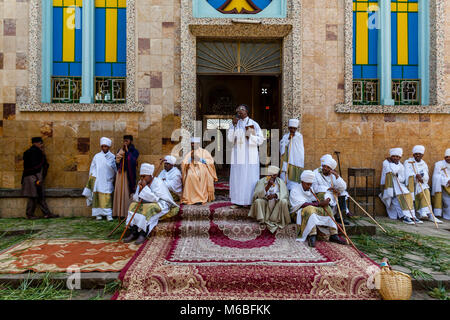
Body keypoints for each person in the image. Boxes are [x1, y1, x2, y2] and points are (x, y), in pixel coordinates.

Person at [123, 163, 179, 245]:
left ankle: (143, 233)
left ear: (150, 175)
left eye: (144, 176)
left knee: (149, 208)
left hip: (161, 203)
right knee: (132, 205)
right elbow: (136, 198)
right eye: (141, 176)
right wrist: (140, 190)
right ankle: (134, 231)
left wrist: (145, 188)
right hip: (146, 203)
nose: (142, 178)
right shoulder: (141, 182)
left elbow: (155, 199)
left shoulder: (158, 182)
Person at [290, 170, 346, 247]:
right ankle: (312, 235)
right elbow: (302, 204)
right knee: (309, 208)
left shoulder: (311, 189)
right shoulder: (295, 190)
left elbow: (319, 193)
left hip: (311, 209)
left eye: (311, 184)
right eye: (307, 184)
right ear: (302, 181)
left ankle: (334, 234)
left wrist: (327, 199)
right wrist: (319, 204)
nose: (309, 186)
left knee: (327, 208)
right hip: (297, 213)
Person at [227, 104, 265, 208]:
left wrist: (250, 136)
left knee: (250, 178)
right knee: (237, 178)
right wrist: (234, 126)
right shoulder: (235, 124)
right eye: (238, 110)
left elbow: (261, 140)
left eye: (242, 109)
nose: (239, 111)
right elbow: (230, 139)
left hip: (250, 155)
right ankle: (237, 201)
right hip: (238, 155)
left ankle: (249, 201)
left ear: (246, 111)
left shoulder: (253, 124)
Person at [379, 148, 420, 225]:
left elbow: (402, 178)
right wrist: (392, 165)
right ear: (391, 156)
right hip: (389, 186)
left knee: (407, 195)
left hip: (398, 185)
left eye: (397, 156)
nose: (395, 158)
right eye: (393, 156)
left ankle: (411, 216)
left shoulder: (401, 165)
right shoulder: (386, 162)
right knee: (399, 197)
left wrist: (398, 176)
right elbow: (391, 171)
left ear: (400, 157)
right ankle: (405, 216)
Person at [21, 137, 58, 219]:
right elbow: (36, 167)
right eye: (41, 143)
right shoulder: (36, 152)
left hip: (33, 177)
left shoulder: (32, 152)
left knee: (39, 196)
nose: (42, 145)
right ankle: (30, 214)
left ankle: (47, 213)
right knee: (33, 196)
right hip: (33, 177)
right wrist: (38, 179)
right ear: (36, 143)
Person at [404, 145, 442, 223]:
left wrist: (422, 177)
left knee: (426, 190)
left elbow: (426, 175)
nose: (418, 155)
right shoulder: (408, 162)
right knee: (422, 190)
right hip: (411, 185)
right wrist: (414, 176)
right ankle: (422, 213)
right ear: (413, 154)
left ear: (422, 155)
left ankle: (428, 214)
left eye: (419, 154)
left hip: (420, 183)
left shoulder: (424, 164)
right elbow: (406, 174)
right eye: (416, 154)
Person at [82, 137, 117, 221]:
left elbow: (114, 168)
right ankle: (98, 214)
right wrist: (93, 177)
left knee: (107, 198)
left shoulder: (112, 157)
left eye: (106, 146)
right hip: (97, 180)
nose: (104, 148)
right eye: (103, 146)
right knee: (97, 197)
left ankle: (108, 214)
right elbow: (93, 167)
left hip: (107, 180)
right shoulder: (97, 156)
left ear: (109, 147)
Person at [248, 165, 290, 233]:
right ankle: (262, 220)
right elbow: (257, 195)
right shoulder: (261, 181)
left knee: (284, 201)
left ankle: (276, 220)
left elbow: (285, 195)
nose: (272, 177)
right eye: (270, 175)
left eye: (274, 175)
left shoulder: (280, 182)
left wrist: (275, 195)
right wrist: (268, 186)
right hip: (265, 202)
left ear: (277, 175)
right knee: (258, 201)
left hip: (276, 203)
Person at [312, 155, 351, 225]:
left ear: (331, 169)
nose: (325, 168)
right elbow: (315, 188)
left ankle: (341, 217)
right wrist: (328, 189)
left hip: (333, 194)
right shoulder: (316, 173)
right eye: (324, 166)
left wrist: (336, 176)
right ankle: (329, 217)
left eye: (328, 167)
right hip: (322, 194)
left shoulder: (332, 174)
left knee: (343, 193)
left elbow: (343, 187)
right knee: (327, 196)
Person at [181, 137, 218, 205]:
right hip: (192, 169)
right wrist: (190, 159)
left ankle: (200, 197)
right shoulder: (189, 153)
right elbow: (184, 163)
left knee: (201, 174)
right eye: (191, 143)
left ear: (198, 144)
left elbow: (210, 162)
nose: (192, 145)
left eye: (194, 143)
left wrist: (199, 159)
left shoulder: (204, 152)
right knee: (190, 175)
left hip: (203, 169)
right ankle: (189, 198)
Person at [113, 135, 139, 218]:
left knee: (126, 191)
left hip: (128, 175)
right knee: (120, 191)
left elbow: (133, 161)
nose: (125, 142)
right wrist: (120, 156)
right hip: (120, 174)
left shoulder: (134, 151)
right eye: (124, 141)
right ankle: (118, 212)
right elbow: (116, 161)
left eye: (127, 141)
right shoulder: (120, 150)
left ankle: (126, 212)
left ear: (130, 141)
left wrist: (127, 153)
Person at [280, 118, 304, 190]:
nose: (292, 130)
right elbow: (282, 144)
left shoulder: (299, 136)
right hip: (286, 159)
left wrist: (293, 138)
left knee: (294, 179)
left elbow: (299, 148)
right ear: (288, 128)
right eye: (291, 128)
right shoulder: (285, 136)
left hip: (295, 160)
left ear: (296, 128)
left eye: (294, 128)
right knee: (285, 174)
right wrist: (287, 140)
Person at [432, 148, 450, 220]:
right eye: (447, 157)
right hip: (443, 186)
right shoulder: (439, 164)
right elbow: (436, 176)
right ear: (444, 157)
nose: (448, 158)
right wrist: (446, 181)